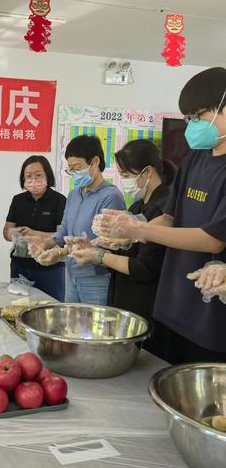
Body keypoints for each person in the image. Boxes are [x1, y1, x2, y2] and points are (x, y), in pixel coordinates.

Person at [94, 67, 226, 364]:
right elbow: (169, 217)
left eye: (198, 116)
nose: (192, 126)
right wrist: (129, 232)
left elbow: (212, 240)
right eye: (188, 119)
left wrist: (140, 231)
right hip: (170, 306)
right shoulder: (196, 160)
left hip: (210, 319)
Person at [70, 140, 175, 331]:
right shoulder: (137, 206)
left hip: (147, 303)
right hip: (125, 297)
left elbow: (144, 267)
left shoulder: (165, 208)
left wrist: (100, 257)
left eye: (126, 175)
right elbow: (128, 247)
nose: (124, 181)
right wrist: (95, 246)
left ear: (148, 172)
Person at [29, 134, 125, 305]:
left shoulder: (110, 196)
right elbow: (64, 232)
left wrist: (60, 252)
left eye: (77, 167)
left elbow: (106, 244)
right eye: (70, 169)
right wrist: (45, 243)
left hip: (96, 278)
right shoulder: (74, 194)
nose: (73, 173)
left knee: (95, 329)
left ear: (95, 162)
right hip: (71, 273)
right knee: (73, 329)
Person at [3, 155, 66, 300]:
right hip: (20, 266)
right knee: (19, 308)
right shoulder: (18, 200)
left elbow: (61, 236)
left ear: (47, 176)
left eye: (38, 175)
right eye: (28, 176)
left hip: (50, 268)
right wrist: (13, 233)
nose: (33, 180)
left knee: (51, 310)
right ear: (23, 179)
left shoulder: (59, 200)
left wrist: (33, 233)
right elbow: (6, 233)